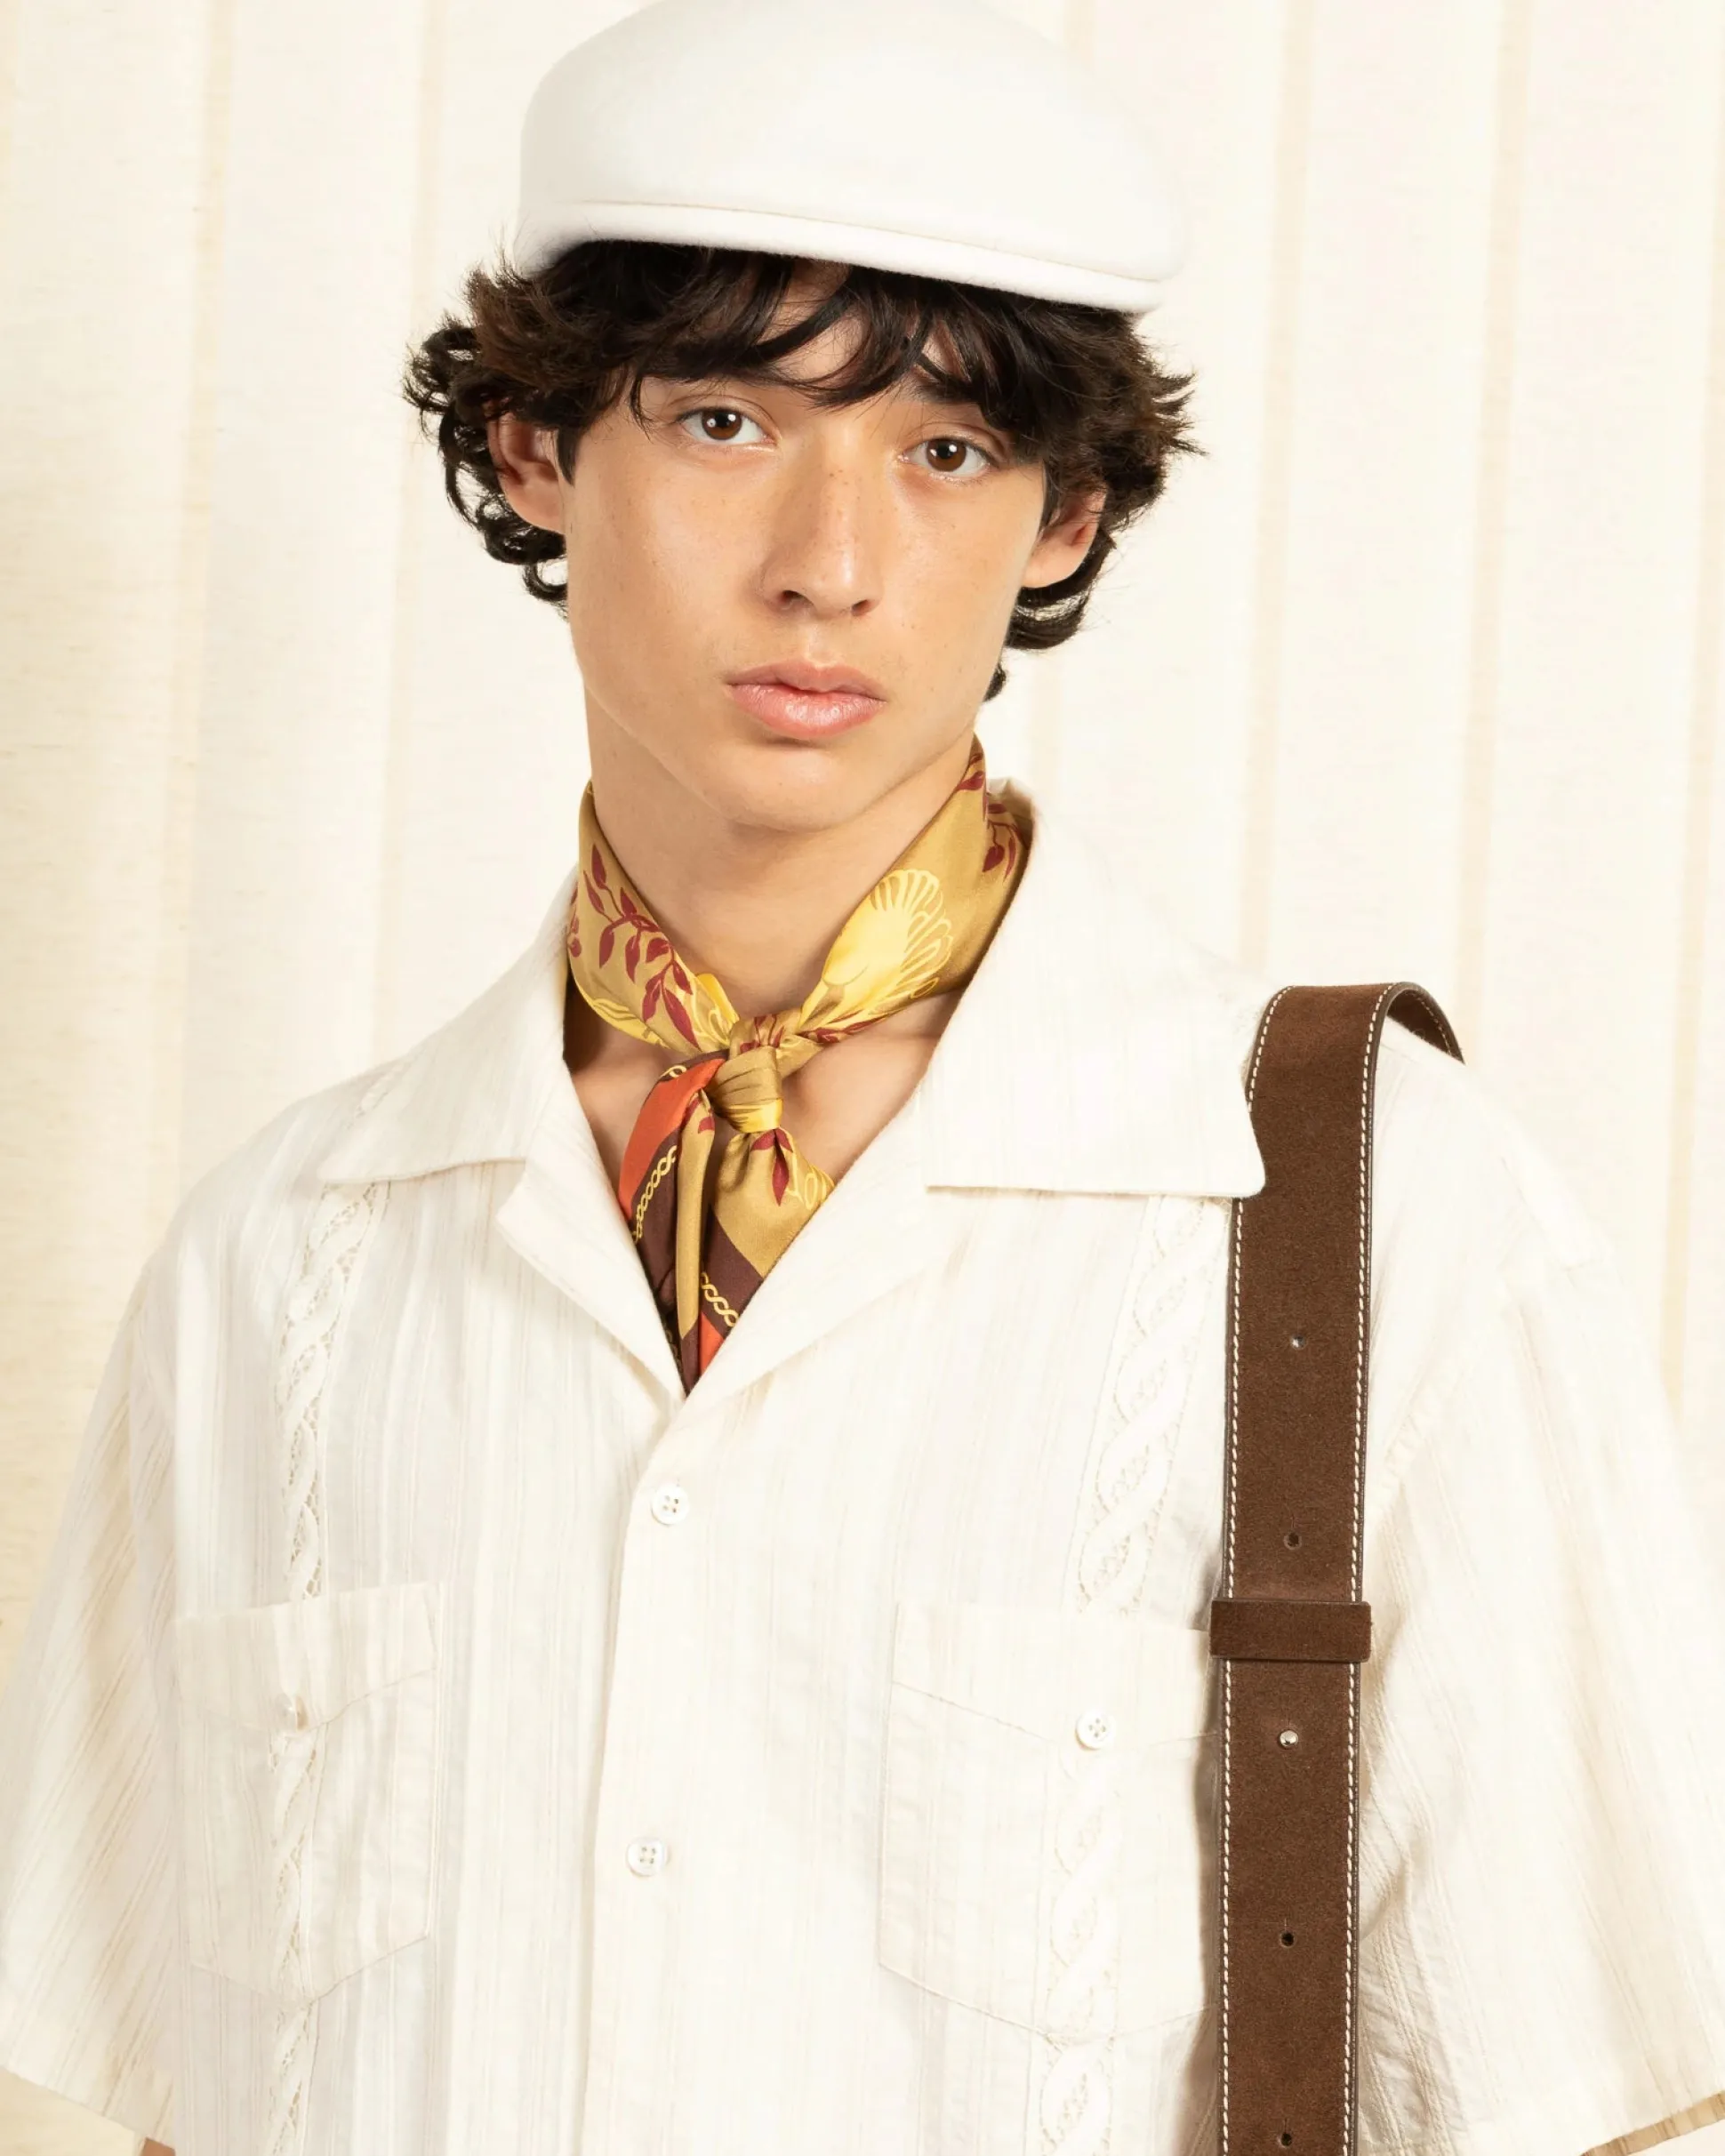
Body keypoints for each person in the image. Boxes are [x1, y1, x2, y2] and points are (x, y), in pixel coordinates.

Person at [3, 2, 1725, 2152]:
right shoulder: (279, 1259)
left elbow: (1587, 2098)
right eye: (726, 421)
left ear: (1066, 514)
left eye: (946, 451)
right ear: (534, 452)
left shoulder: (1378, 1224)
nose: (829, 562)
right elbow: (174, 2091)